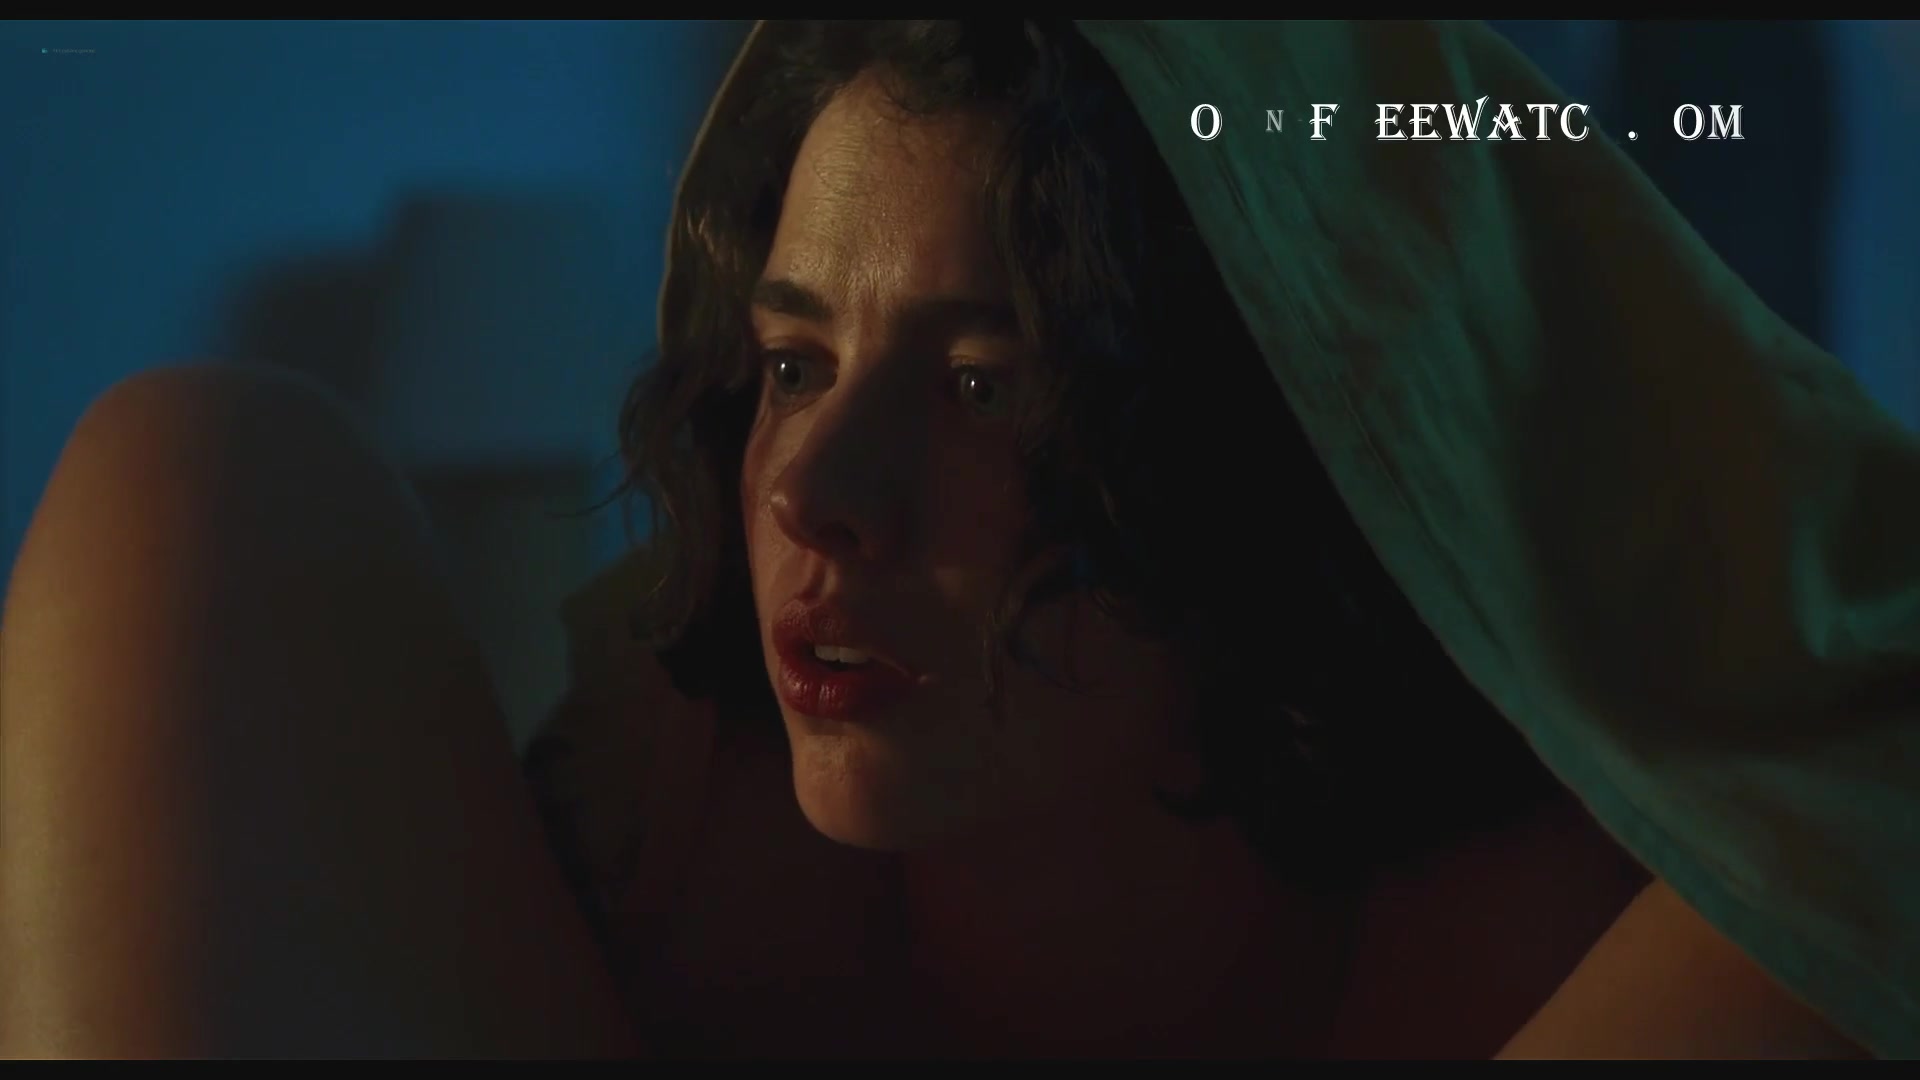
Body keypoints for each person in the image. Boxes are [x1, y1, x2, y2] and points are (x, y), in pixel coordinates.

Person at [0, 19, 1910, 1059]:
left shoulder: (1552, 925)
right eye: (792, 364)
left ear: (1269, 458)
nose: (812, 494)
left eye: (990, 385)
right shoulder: (677, 821)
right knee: (205, 447)